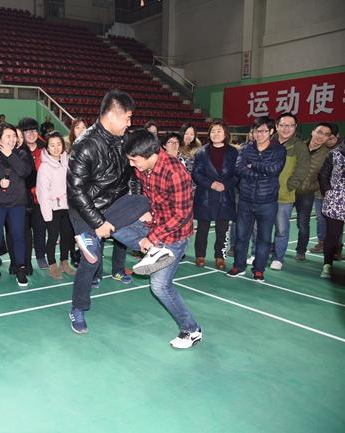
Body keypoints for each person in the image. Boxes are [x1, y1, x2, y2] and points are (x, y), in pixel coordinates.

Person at [66, 90, 154, 335]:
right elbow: (76, 192)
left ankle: (139, 243)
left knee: (142, 203)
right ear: (112, 115)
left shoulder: (124, 140)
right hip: (85, 210)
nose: (129, 123)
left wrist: (135, 210)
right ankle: (77, 308)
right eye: (127, 118)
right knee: (91, 260)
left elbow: (133, 178)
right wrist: (97, 223)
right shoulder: (84, 145)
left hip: (113, 205)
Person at [124, 129, 203, 349]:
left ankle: (192, 331)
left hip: (174, 235)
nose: (131, 164)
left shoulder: (175, 172)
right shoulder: (144, 167)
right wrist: (146, 211)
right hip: (154, 224)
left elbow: (182, 215)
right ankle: (152, 250)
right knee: (112, 225)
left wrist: (153, 237)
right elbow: (149, 194)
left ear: (150, 154)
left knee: (159, 286)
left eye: (134, 160)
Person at [227, 116, 286, 281]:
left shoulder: (279, 150)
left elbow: (274, 170)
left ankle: (259, 269)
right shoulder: (246, 149)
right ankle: (239, 266)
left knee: (264, 238)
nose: (259, 134)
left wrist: (253, 165)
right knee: (241, 236)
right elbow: (239, 169)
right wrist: (260, 173)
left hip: (268, 201)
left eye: (263, 131)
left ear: (271, 131)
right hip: (246, 199)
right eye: (256, 131)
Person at [0, 122, 33, 289]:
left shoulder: (22, 154)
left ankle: (20, 269)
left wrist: (11, 155)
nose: (12, 139)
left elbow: (25, 172)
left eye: (14, 136)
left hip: (17, 203)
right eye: (8, 136)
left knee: (18, 236)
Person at [191, 121, 238, 270]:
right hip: (206, 194)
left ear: (225, 134)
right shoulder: (201, 152)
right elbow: (196, 173)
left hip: (225, 194)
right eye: (212, 131)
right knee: (202, 229)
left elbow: (238, 174)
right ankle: (200, 255)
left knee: (222, 229)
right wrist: (211, 184)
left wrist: (226, 185)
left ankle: (220, 256)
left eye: (219, 131)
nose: (215, 134)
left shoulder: (233, 152)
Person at [270, 113, 309, 271]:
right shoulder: (268, 142)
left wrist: (289, 185)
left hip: (284, 196)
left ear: (295, 127)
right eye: (283, 125)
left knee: (281, 229)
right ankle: (258, 253)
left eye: (290, 125)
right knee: (261, 227)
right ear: (277, 126)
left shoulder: (299, 147)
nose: (286, 129)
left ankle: (278, 258)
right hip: (264, 194)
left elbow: (303, 169)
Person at [36, 131, 76, 280]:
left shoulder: (68, 162)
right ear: (47, 148)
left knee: (67, 236)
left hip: (68, 207)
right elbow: (42, 193)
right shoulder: (44, 167)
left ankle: (64, 261)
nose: (56, 148)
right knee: (52, 237)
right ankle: (52, 264)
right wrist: (47, 214)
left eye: (59, 144)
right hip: (53, 208)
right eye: (52, 145)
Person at [293, 123, 333, 262]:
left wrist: (311, 186)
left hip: (306, 193)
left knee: (303, 224)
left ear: (328, 138)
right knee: (279, 222)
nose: (321, 136)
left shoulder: (328, 154)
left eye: (326, 134)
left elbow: (326, 177)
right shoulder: (298, 146)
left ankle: (301, 250)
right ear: (312, 132)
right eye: (319, 132)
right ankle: (275, 248)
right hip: (288, 190)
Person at [16, 117, 47, 272]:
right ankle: (25, 260)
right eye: (27, 131)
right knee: (24, 232)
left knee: (40, 228)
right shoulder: (18, 151)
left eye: (34, 130)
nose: (31, 134)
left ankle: (41, 256)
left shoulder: (45, 149)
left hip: (41, 198)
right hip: (23, 198)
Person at [318, 138, 345, 278]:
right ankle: (327, 265)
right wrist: (328, 191)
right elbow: (323, 175)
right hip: (336, 202)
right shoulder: (334, 153)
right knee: (332, 236)